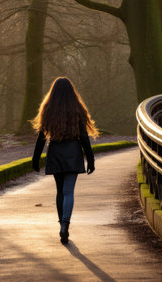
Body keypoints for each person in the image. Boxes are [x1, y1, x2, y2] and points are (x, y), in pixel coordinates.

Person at [31, 77, 98, 244]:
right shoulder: (77, 109)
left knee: (59, 191)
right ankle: (65, 225)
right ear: (71, 92)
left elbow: (41, 137)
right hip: (73, 153)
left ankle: (61, 223)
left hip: (55, 153)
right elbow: (84, 137)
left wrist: (35, 158)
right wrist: (90, 159)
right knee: (69, 191)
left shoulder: (48, 109)